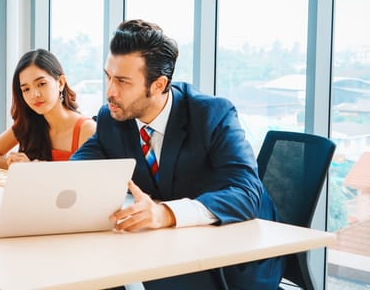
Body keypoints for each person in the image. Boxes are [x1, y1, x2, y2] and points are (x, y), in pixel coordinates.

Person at [71, 19, 284, 289]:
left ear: (158, 85)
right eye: (108, 77)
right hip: (166, 252)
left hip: (233, 263)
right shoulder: (113, 117)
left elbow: (246, 194)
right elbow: (77, 171)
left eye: (123, 81)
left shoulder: (212, 114)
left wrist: (166, 214)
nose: (110, 92)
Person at [0, 49, 96, 169]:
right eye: (26, 89)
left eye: (41, 84)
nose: (35, 95)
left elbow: (91, 181)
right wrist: (19, 166)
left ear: (60, 83)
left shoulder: (87, 130)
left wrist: (35, 168)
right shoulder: (29, 124)